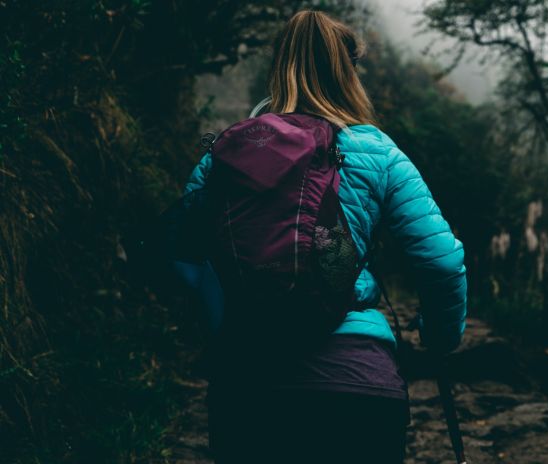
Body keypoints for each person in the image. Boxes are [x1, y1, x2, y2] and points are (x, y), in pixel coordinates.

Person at [181, 10, 467, 464]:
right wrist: (439, 337)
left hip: (249, 385)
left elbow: (187, 263)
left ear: (279, 67)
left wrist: (221, 331)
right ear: (346, 72)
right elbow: (442, 261)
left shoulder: (226, 156)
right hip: (357, 383)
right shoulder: (379, 153)